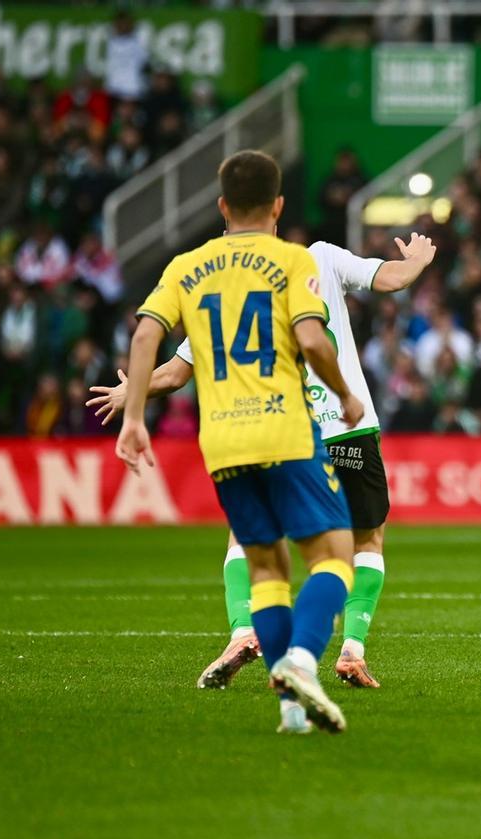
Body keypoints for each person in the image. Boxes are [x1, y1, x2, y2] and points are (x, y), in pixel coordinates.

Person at [89, 234, 436, 690]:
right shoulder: (318, 259)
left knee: (250, 536)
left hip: (280, 433)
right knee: (365, 541)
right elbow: (390, 280)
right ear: (275, 209)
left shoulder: (218, 289)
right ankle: (351, 649)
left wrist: (128, 393)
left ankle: (243, 630)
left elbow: (174, 373)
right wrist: (415, 262)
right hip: (347, 428)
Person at [116, 149, 365, 735]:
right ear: (279, 205)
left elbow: (148, 332)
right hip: (284, 429)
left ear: (222, 205)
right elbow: (312, 339)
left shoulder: (186, 266)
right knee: (334, 555)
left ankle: (289, 710)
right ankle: (303, 660)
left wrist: (133, 417)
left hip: (222, 442)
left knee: (265, 570)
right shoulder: (290, 260)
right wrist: (345, 394)